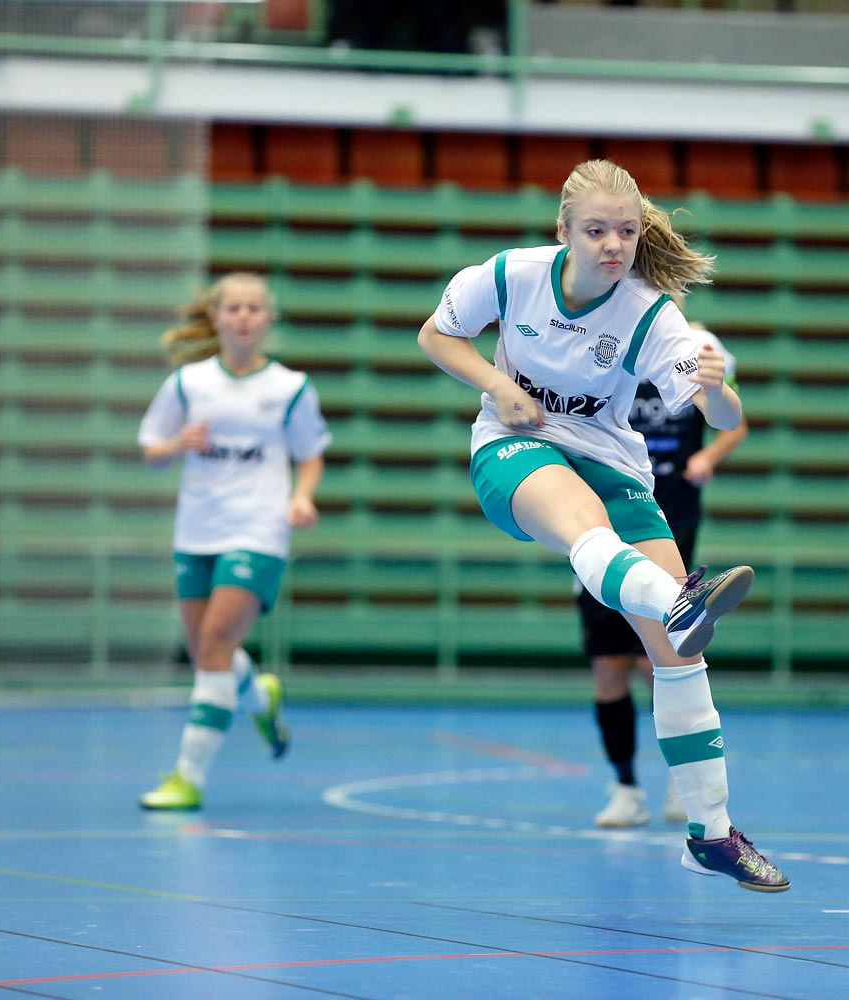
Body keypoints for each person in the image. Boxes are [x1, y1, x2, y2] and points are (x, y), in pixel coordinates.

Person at [417, 158, 789, 892]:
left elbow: (724, 414)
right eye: (596, 231)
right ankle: (678, 598)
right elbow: (436, 336)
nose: (613, 245)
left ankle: (710, 834)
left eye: (625, 231)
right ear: (563, 231)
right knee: (592, 531)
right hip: (513, 451)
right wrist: (498, 385)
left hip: (615, 462)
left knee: (677, 654)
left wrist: (720, 397)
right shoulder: (507, 276)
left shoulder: (651, 312)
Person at [136, 272, 331, 811]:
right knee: (208, 655)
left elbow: (310, 453)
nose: (244, 316)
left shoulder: (289, 387)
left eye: (254, 308)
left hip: (258, 531)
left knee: (215, 649)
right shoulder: (189, 383)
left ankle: (187, 777)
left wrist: (302, 497)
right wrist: (177, 443)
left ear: (267, 319)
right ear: (217, 317)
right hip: (197, 529)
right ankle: (258, 691)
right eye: (234, 308)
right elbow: (151, 451)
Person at [583, 317, 747, 829]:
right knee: (609, 664)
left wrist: (707, 455)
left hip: (670, 520)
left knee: (665, 659)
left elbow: (733, 420)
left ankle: (685, 787)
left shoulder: (697, 344)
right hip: (599, 524)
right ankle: (625, 787)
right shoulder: (588, 338)